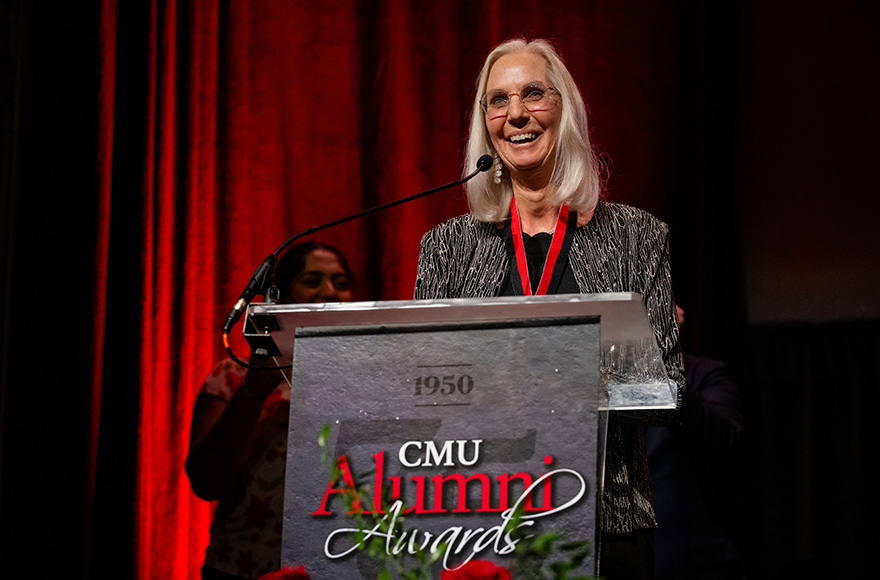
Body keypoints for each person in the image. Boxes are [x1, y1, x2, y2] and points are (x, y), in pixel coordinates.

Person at [414, 37, 685, 580]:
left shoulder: (638, 236)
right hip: (476, 525)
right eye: (498, 100)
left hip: (607, 523)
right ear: (484, 122)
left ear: (564, 109)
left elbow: (664, 392)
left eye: (533, 94)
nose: (516, 114)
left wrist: (529, 376)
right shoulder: (445, 247)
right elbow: (425, 389)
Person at [186, 242, 354, 580]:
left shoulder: (368, 375)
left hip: (341, 564)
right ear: (282, 296)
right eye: (312, 281)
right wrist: (254, 390)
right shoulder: (232, 376)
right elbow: (206, 482)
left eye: (341, 282)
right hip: (244, 568)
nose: (329, 292)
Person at [646, 306, 745, 579]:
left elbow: (725, 439)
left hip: (693, 563)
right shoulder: (598, 378)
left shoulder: (705, 374)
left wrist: (660, 363)